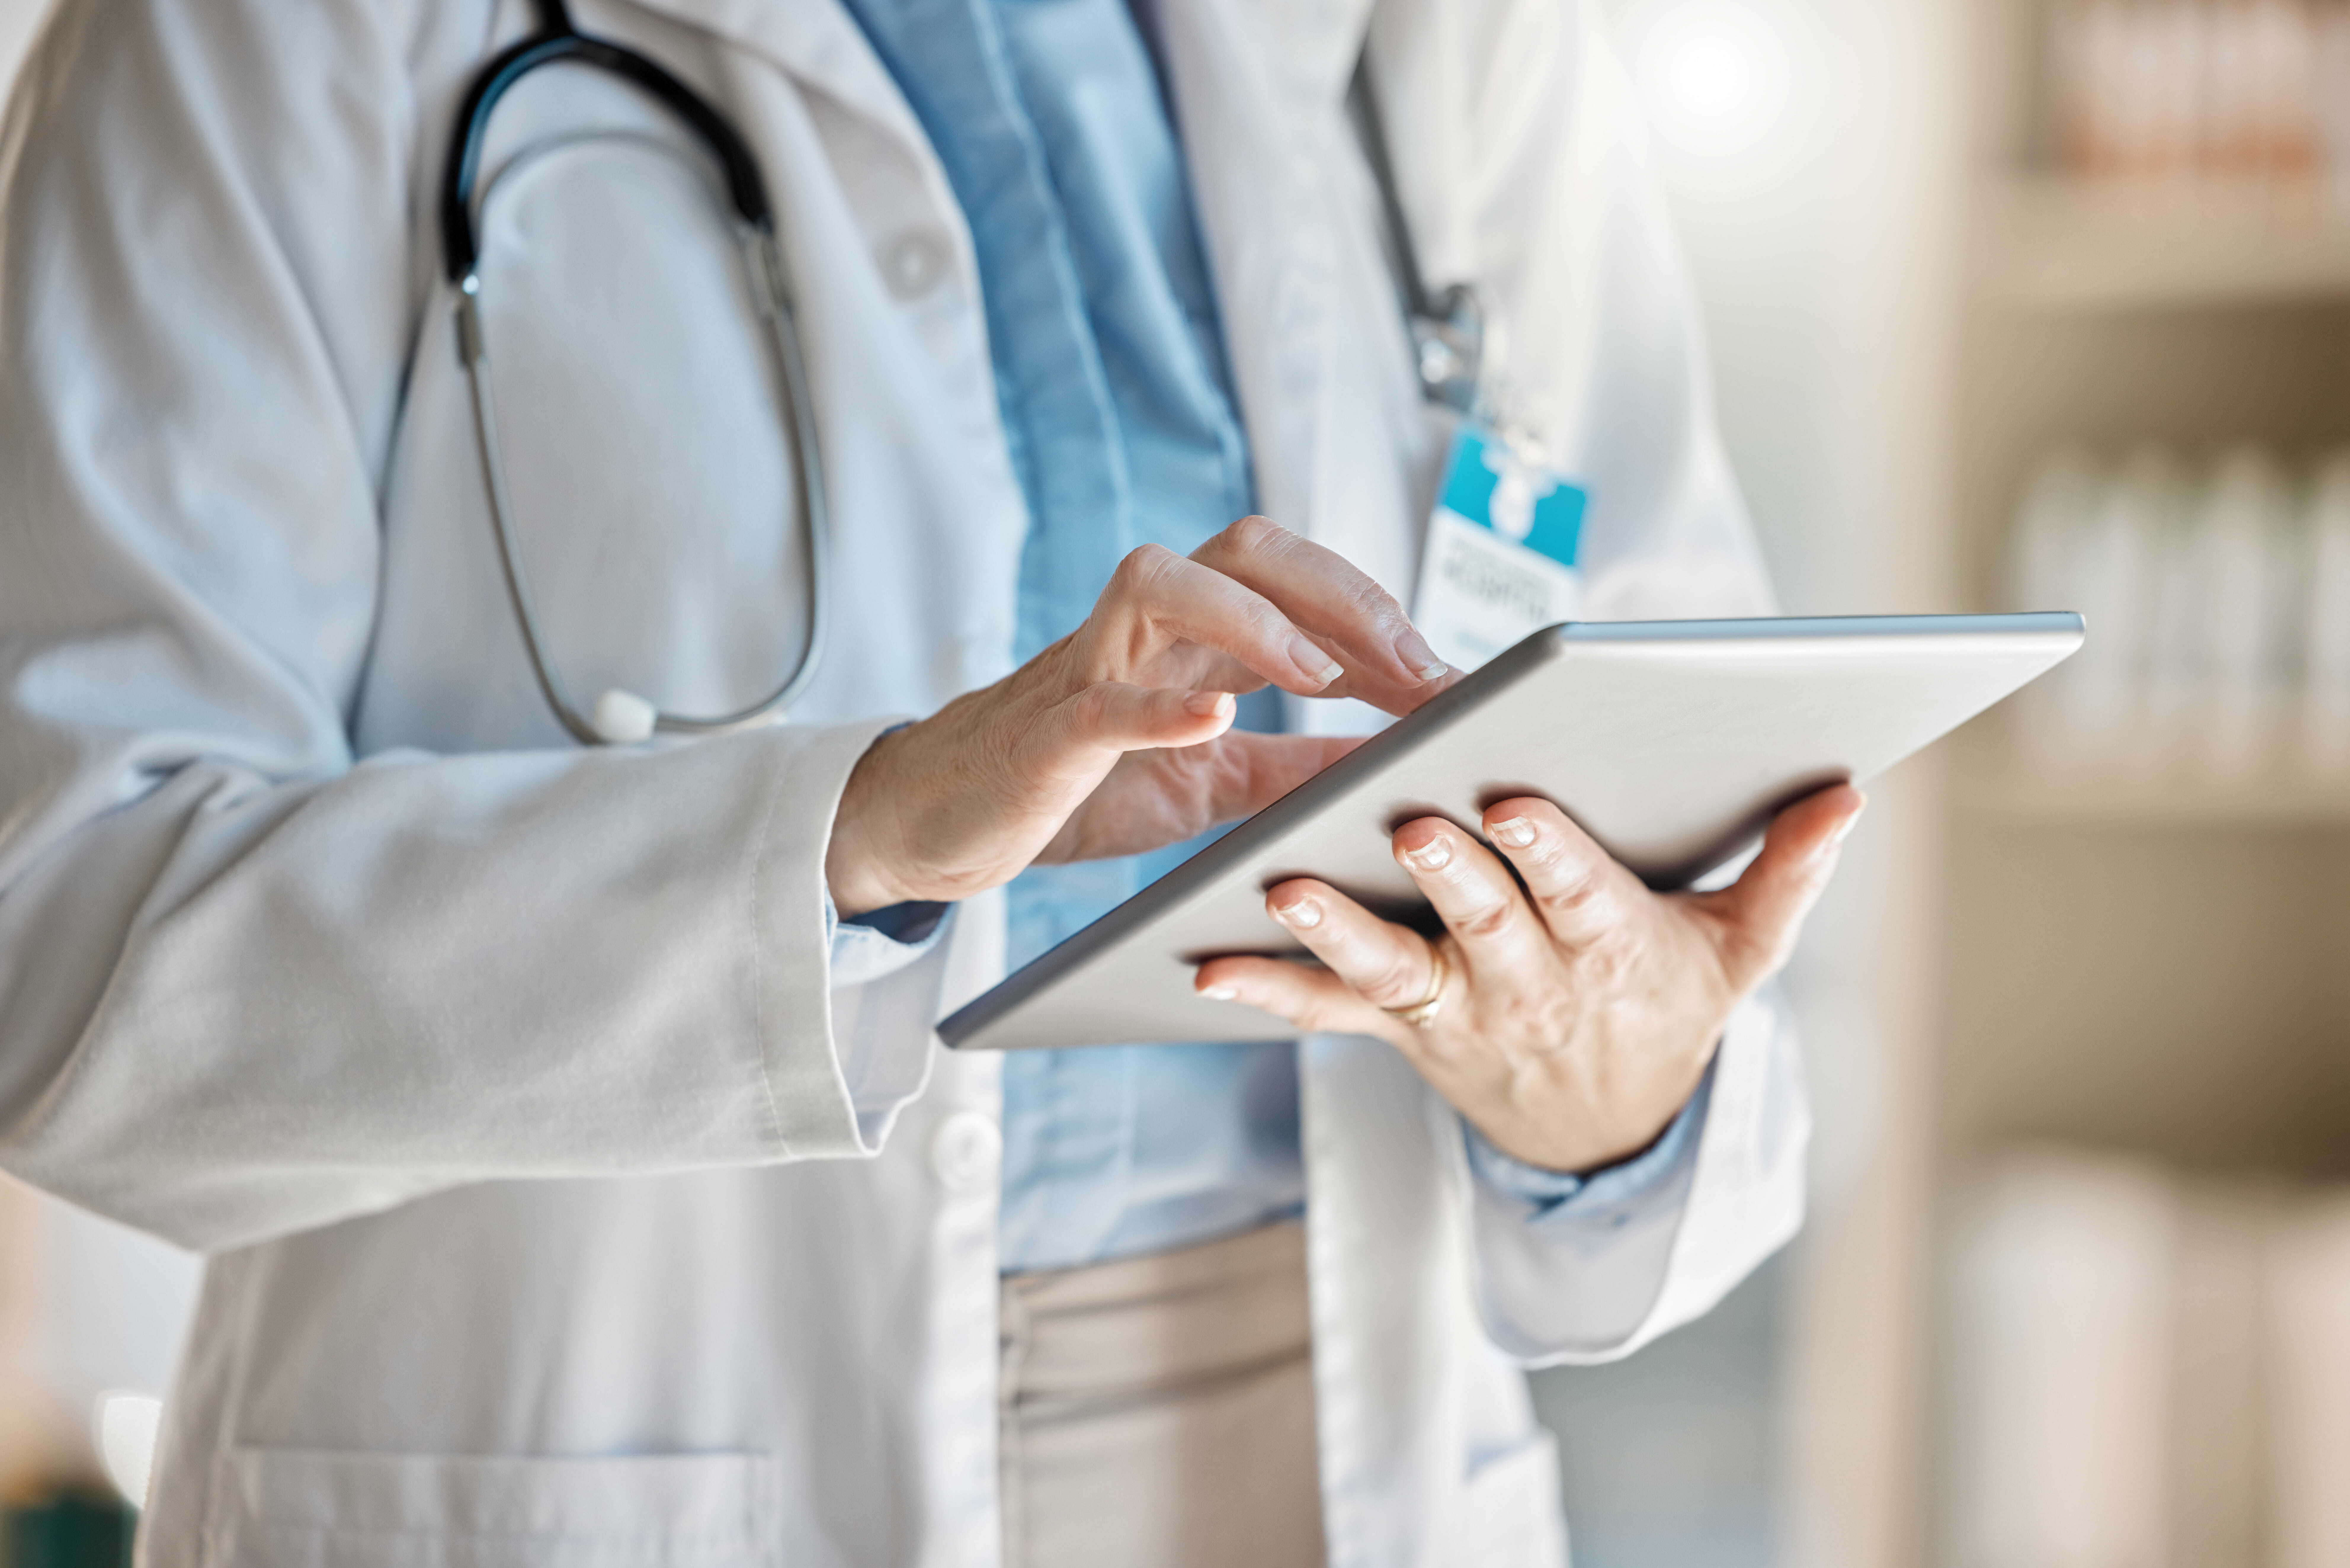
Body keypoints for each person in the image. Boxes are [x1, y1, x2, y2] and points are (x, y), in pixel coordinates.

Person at [0, 0, 1861, 1563]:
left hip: (1335, 1452)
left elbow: (1659, 737)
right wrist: (846, 844)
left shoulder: (1446, 38)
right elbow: (63, 941)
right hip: (598, 1451)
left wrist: (1613, 1092)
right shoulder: (244, 34)